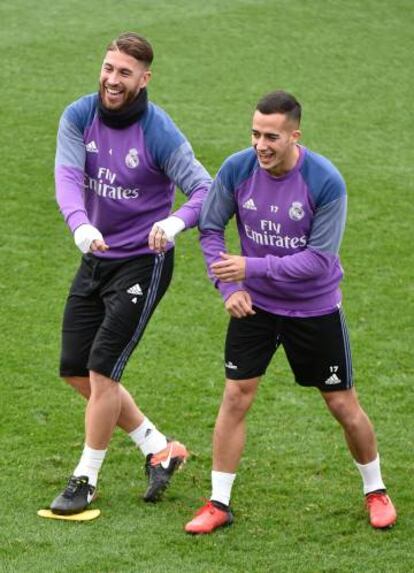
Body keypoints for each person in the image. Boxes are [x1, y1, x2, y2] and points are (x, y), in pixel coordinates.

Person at [185, 90, 397, 534]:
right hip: (255, 307)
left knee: (341, 403)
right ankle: (218, 502)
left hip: (313, 309)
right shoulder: (237, 168)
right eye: (255, 134)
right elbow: (209, 227)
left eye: (272, 137)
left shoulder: (325, 182)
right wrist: (228, 285)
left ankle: (375, 490)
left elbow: (318, 261)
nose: (261, 145)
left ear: (295, 136)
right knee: (235, 396)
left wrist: (251, 266)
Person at [50, 32, 211, 515]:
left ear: (144, 79)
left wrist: (174, 220)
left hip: (144, 261)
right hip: (96, 254)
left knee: (101, 370)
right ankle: (159, 447)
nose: (112, 80)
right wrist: (79, 224)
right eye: (108, 68)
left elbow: (205, 188)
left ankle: (86, 479)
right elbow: (67, 175)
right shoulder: (80, 115)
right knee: (75, 370)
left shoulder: (158, 131)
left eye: (124, 72)